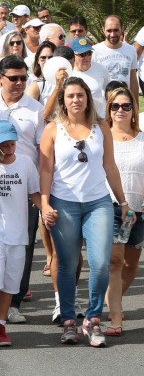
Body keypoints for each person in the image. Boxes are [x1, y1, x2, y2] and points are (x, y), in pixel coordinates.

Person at [39, 77, 131, 347]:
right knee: (67, 265)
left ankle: (92, 320)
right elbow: (45, 169)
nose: (76, 100)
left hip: (98, 202)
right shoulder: (53, 129)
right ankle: (68, 321)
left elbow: (110, 166)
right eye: (70, 96)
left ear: (88, 98)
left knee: (101, 263)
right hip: (63, 202)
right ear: (63, 101)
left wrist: (123, 201)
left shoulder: (101, 126)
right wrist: (45, 204)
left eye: (80, 95)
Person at [0, 56, 45, 324]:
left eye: (24, 78)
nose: (19, 83)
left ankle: (12, 304)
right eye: (13, 78)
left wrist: (42, 193)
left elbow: (42, 150)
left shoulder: (36, 108)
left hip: (25, 182)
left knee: (21, 245)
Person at [0, 120, 41, 347]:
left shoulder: (26, 163)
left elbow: (34, 194)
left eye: (13, 142)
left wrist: (47, 210)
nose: (11, 147)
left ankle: (0, 325)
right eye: (5, 143)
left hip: (17, 230)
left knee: (11, 282)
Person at [103, 86, 144, 336]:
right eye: (115, 106)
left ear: (133, 110)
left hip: (139, 209)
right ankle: (116, 318)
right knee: (115, 262)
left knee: (131, 265)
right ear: (109, 109)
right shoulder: (103, 136)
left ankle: (111, 297)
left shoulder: (142, 139)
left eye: (126, 106)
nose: (120, 110)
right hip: (112, 208)